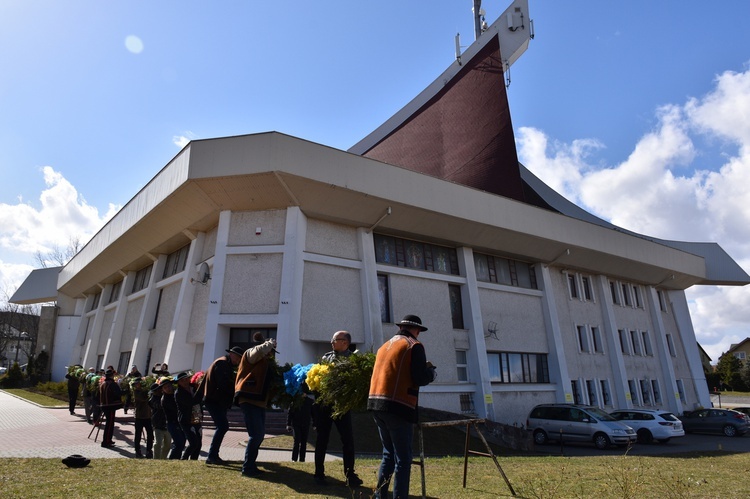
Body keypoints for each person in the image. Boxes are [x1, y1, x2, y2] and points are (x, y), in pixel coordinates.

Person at [368, 315, 437, 499]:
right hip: (398, 406)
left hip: (376, 404)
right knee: (403, 459)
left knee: (388, 455)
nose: (419, 335)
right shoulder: (413, 345)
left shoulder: (385, 346)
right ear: (416, 330)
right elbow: (419, 377)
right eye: (419, 331)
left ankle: (380, 497)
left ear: (402, 327)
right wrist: (431, 373)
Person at [313, 331, 362, 487]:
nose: (332, 342)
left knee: (347, 441)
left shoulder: (353, 360)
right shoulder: (326, 358)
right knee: (322, 440)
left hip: (342, 406)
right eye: (332, 339)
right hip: (325, 405)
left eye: (335, 340)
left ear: (345, 343)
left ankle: (350, 475)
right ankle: (318, 474)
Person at [234, 332, 278, 478]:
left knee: (259, 435)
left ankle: (251, 465)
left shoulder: (264, 361)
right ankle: (247, 468)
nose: (271, 354)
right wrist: (269, 344)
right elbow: (258, 351)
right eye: (271, 351)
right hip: (249, 398)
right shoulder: (251, 354)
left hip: (258, 401)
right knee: (256, 435)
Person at [203, 346, 243, 465]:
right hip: (214, 400)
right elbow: (223, 384)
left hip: (217, 400)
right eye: (239, 358)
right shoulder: (222, 363)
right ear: (232, 355)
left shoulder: (224, 363)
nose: (239, 361)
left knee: (222, 427)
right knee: (222, 426)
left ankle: (213, 455)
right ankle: (212, 455)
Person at [175, 371, 203, 460]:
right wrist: (200, 392)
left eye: (186, 379)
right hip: (186, 420)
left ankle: (194, 460)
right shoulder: (179, 393)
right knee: (193, 442)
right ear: (179, 382)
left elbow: (201, 401)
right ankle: (184, 459)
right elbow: (191, 402)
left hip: (197, 418)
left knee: (199, 443)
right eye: (182, 380)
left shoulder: (193, 388)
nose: (185, 381)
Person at [286, 390, 313, 463]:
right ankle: (294, 459)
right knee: (297, 440)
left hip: (306, 424)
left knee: (304, 442)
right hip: (296, 424)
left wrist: (315, 424)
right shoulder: (295, 401)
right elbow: (290, 413)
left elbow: (313, 413)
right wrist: (288, 424)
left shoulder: (310, 402)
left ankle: (302, 459)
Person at [99, 367, 123, 448]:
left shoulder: (103, 383)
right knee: (109, 425)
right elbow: (118, 393)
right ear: (111, 376)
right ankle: (106, 441)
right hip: (110, 406)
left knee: (109, 424)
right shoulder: (112, 384)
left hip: (104, 406)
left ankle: (108, 440)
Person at [161, 377, 184, 459]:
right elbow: (176, 408)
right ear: (163, 390)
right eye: (165, 387)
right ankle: (172, 459)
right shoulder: (165, 399)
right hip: (172, 423)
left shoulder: (175, 394)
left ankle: (177, 459)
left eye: (169, 386)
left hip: (179, 422)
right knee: (178, 443)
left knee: (182, 443)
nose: (168, 388)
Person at [131, 377, 154, 458]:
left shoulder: (146, 391)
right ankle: (138, 450)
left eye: (139, 383)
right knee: (138, 435)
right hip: (139, 416)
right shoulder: (136, 392)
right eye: (136, 384)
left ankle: (149, 450)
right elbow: (143, 398)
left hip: (148, 416)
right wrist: (149, 393)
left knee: (150, 434)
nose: (138, 385)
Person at [149, 379, 171, 459]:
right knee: (157, 443)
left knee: (168, 445)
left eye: (159, 389)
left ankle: (163, 458)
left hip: (167, 424)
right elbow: (160, 406)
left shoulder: (166, 396)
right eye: (156, 390)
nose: (158, 391)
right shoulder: (153, 400)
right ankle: (156, 459)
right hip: (158, 424)